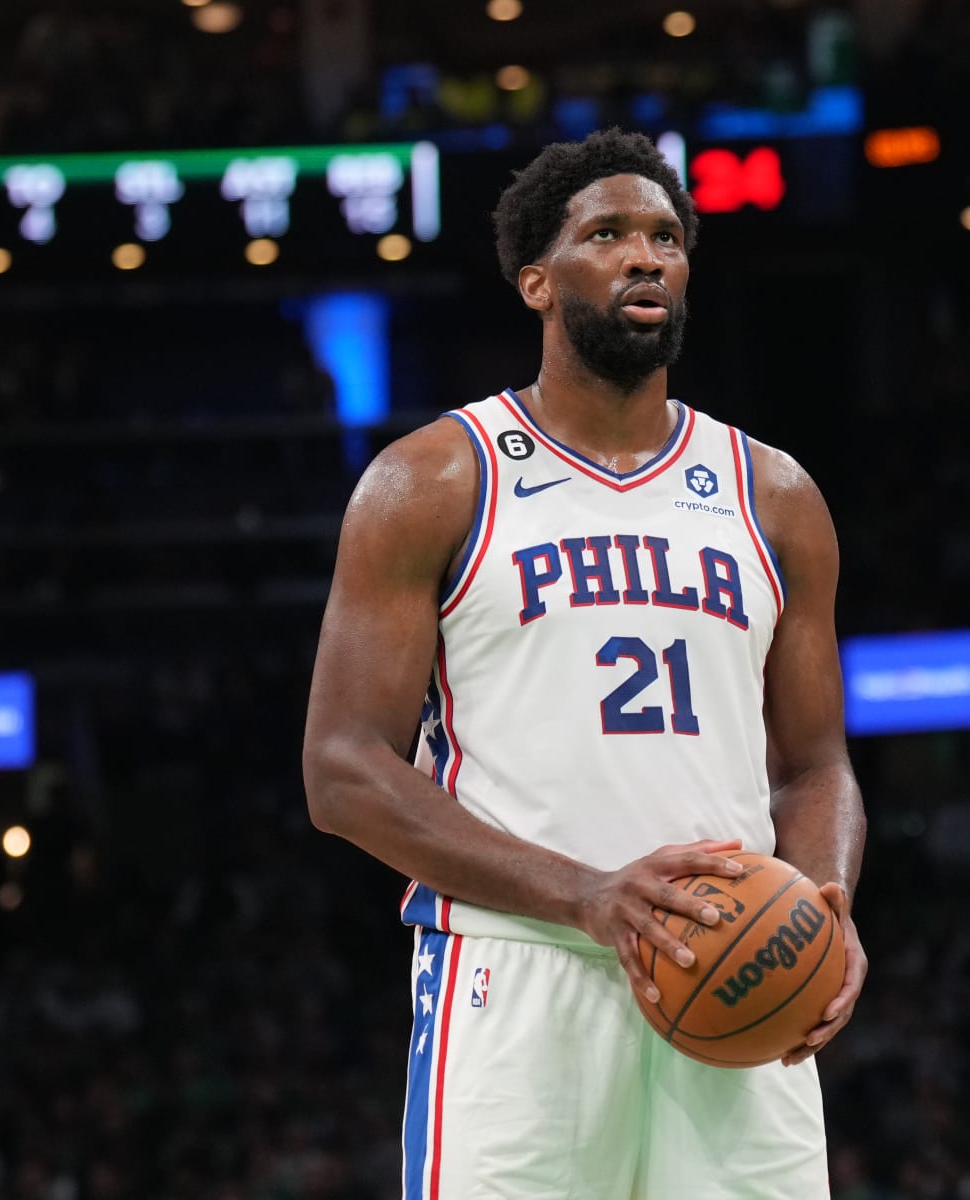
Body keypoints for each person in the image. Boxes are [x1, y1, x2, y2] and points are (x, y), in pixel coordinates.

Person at [303, 128, 867, 1198]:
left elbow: (816, 765)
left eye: (666, 237)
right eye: (606, 234)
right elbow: (341, 770)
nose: (644, 256)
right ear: (536, 279)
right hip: (523, 974)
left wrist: (824, 904)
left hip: (740, 965)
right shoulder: (432, 481)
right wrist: (588, 896)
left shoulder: (775, 495)